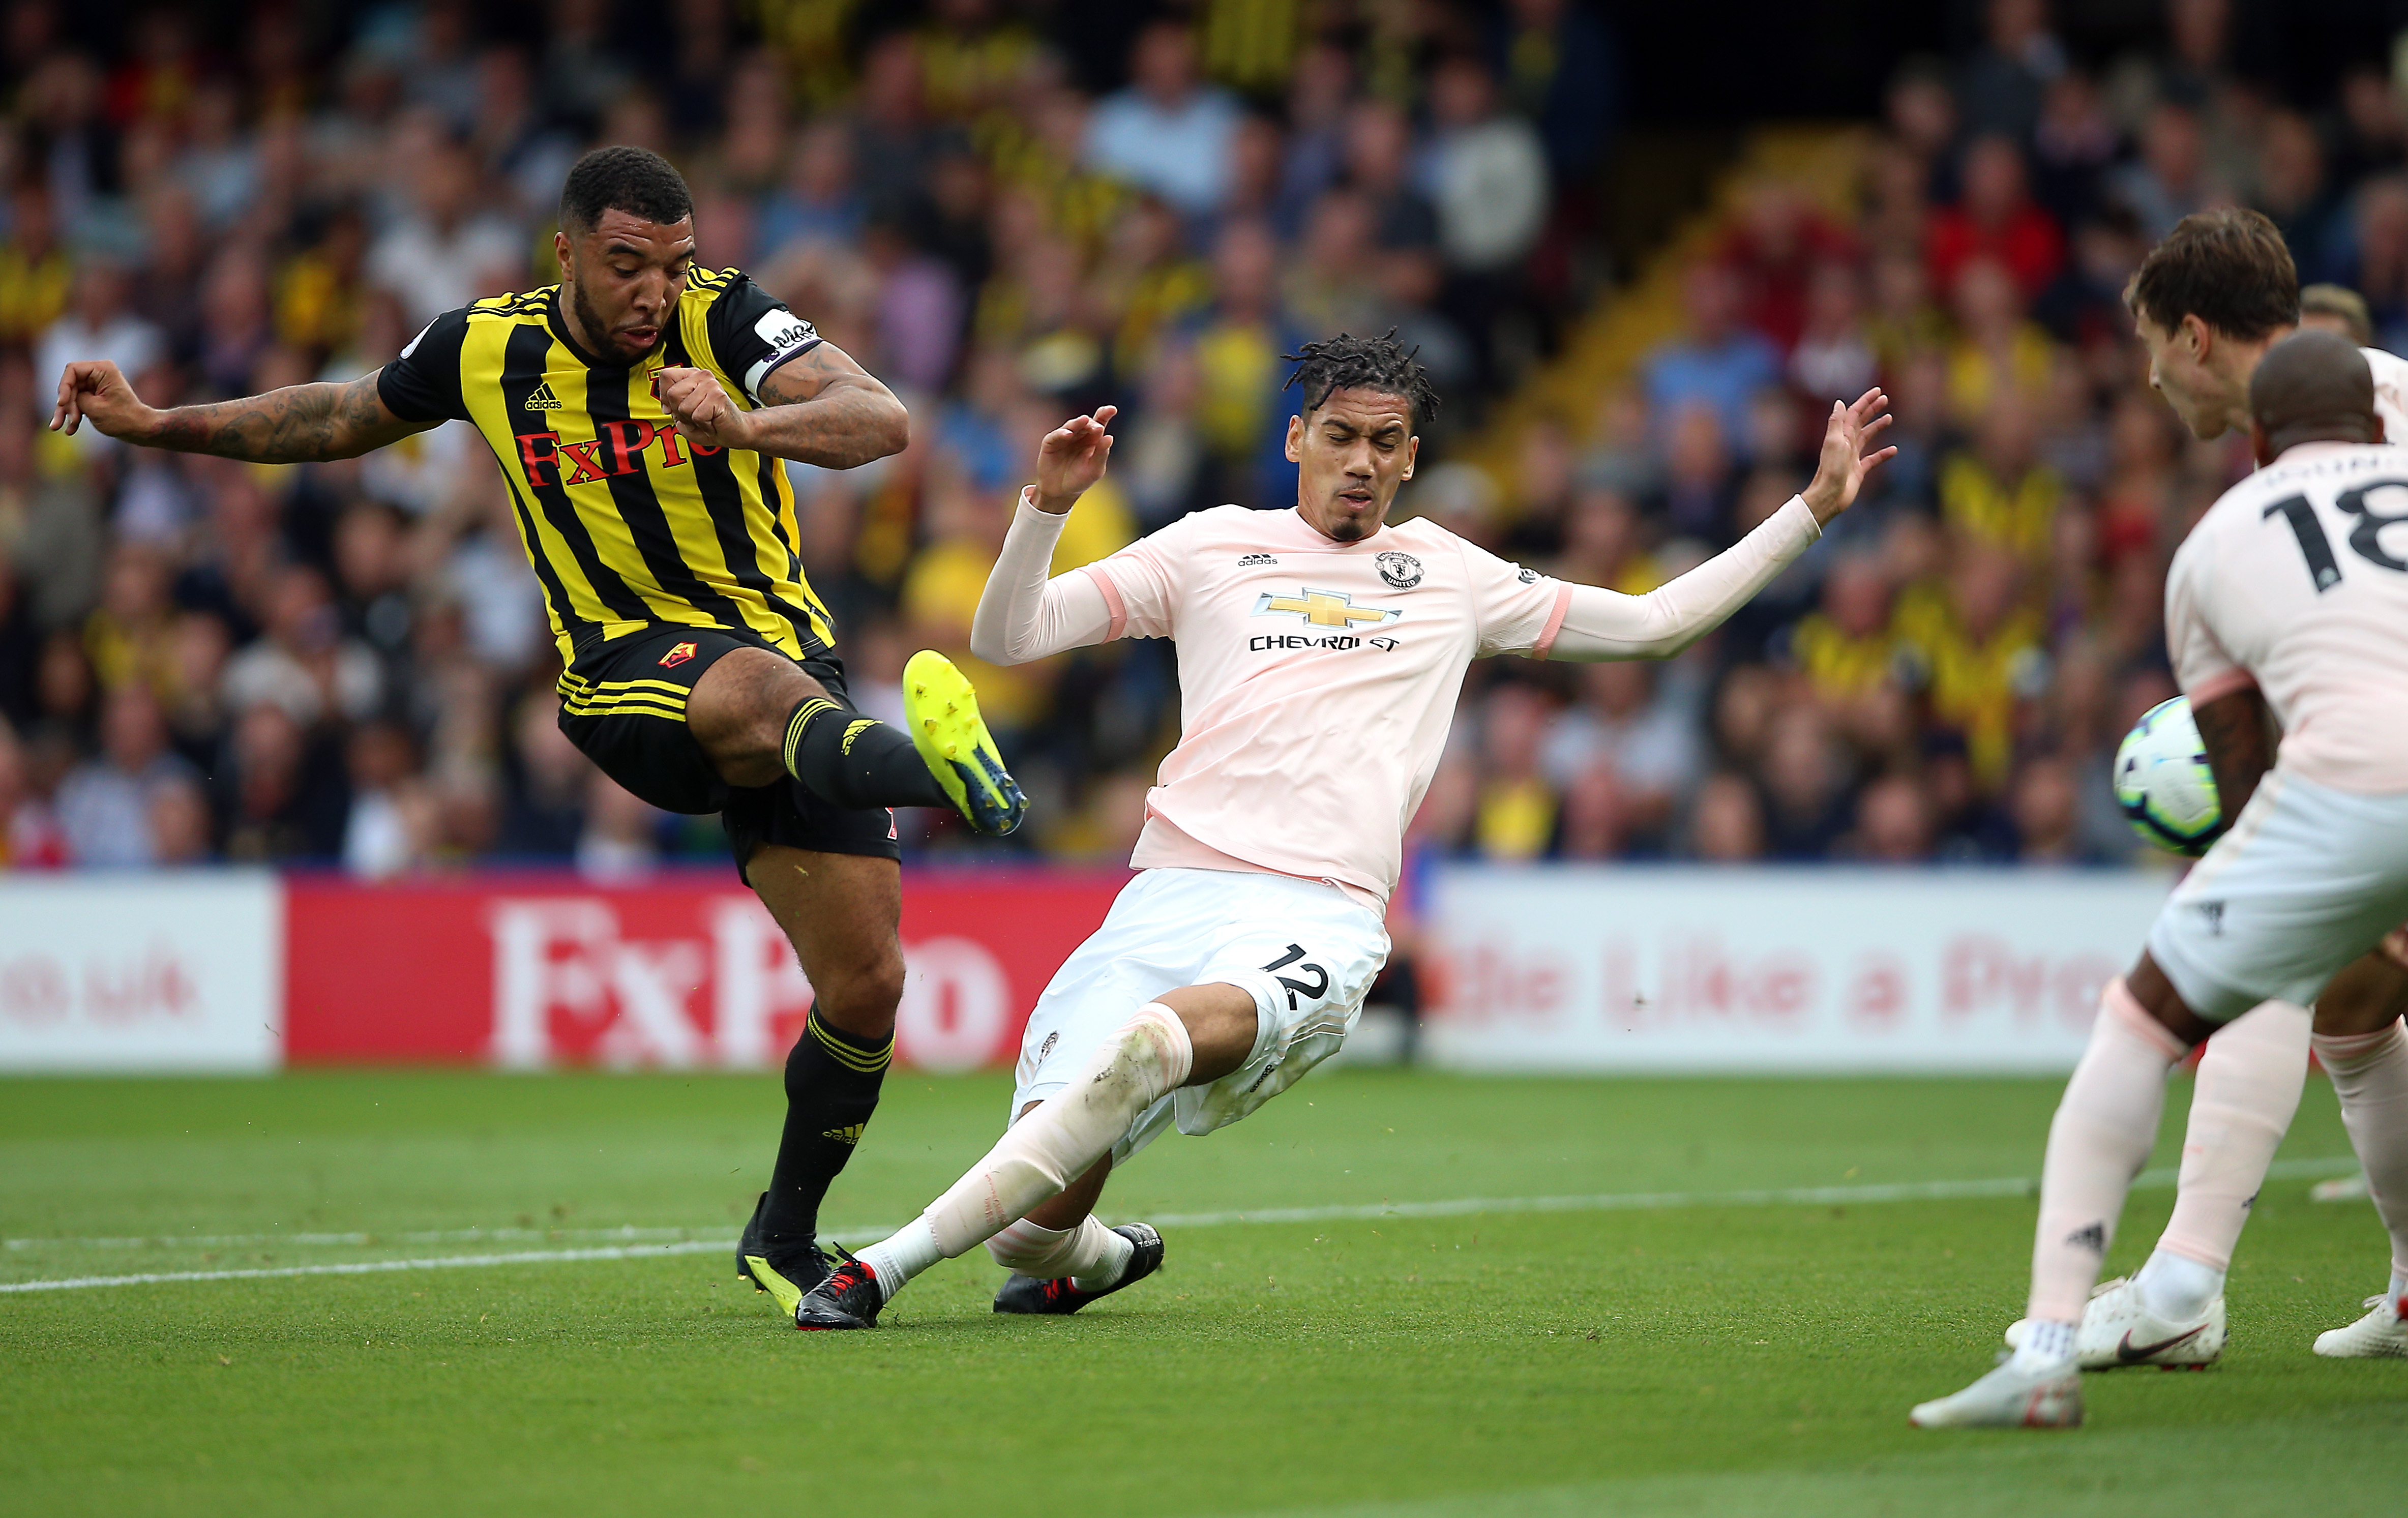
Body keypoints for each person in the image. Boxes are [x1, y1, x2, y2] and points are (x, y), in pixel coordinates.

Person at [48, 144, 1028, 1322]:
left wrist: (745, 426)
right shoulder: (483, 344)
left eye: (672, 265)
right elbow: (335, 416)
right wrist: (155, 423)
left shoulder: (724, 321)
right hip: (624, 674)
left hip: (789, 679)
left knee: (867, 982)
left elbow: (880, 418)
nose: (653, 293)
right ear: (564, 251)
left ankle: (782, 1234)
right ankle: (949, 774)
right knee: (765, 692)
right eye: (625, 266)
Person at [782, 333, 1895, 1328]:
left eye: (1386, 441)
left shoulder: (1452, 575)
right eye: (1340, 436)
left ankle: (881, 1267)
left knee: (1158, 1044)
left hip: (1315, 910)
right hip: (1165, 895)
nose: (1361, 459)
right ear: (1295, 438)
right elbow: (1010, 632)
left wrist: (1810, 509)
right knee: (1033, 1229)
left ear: (1411, 458)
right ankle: (1106, 1253)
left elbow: (1654, 627)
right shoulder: (1211, 546)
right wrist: (1046, 508)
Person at [1913, 333, 2408, 1427]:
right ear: (2377, 426)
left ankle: (2067, 1342)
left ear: (2262, 442)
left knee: (2139, 1021)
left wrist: (2307, 911)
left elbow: (2239, 790)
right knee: (2357, 1013)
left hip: (2346, 791)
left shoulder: (2219, 539)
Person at [2012, 209, 2408, 1372]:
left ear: (2193, 338)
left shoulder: (2360, 422)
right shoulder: (2315, 434)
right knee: (2344, 996)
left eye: (2147, 346)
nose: (2143, 376)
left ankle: (2182, 1283)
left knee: (2270, 955)